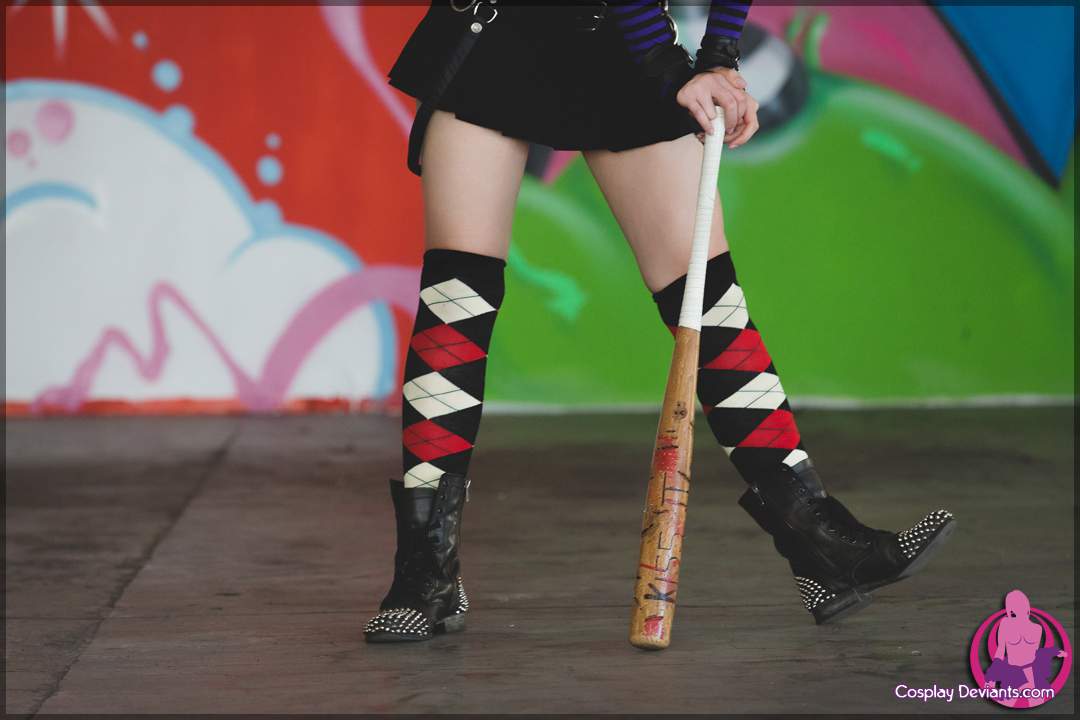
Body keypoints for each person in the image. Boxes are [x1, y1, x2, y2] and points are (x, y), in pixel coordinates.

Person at [364, 0, 956, 643]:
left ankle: (820, 542)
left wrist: (719, 58)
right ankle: (425, 573)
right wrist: (672, 69)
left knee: (708, 304)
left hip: (617, 45)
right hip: (500, 32)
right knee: (457, 302)